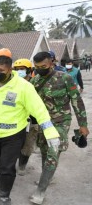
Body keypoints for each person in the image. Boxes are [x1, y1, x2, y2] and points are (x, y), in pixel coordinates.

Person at [0, 48, 60, 205]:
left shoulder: (24, 87)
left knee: (7, 166)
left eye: (0, 70)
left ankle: (4, 195)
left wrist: (51, 132)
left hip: (13, 134)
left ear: (10, 70)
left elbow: (39, 110)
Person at [29, 52, 89, 204]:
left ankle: (40, 191)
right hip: (43, 122)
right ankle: (48, 176)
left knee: (53, 152)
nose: (40, 69)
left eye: (43, 66)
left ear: (52, 63)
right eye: (36, 67)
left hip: (61, 121)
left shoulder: (65, 78)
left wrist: (83, 125)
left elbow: (77, 101)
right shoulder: (35, 80)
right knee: (43, 149)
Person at [13, 59, 37, 175]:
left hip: (31, 120)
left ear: (29, 70)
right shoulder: (11, 83)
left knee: (27, 145)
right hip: (15, 119)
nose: (19, 72)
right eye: (17, 70)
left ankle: (22, 165)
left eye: (21, 69)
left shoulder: (35, 83)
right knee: (13, 144)